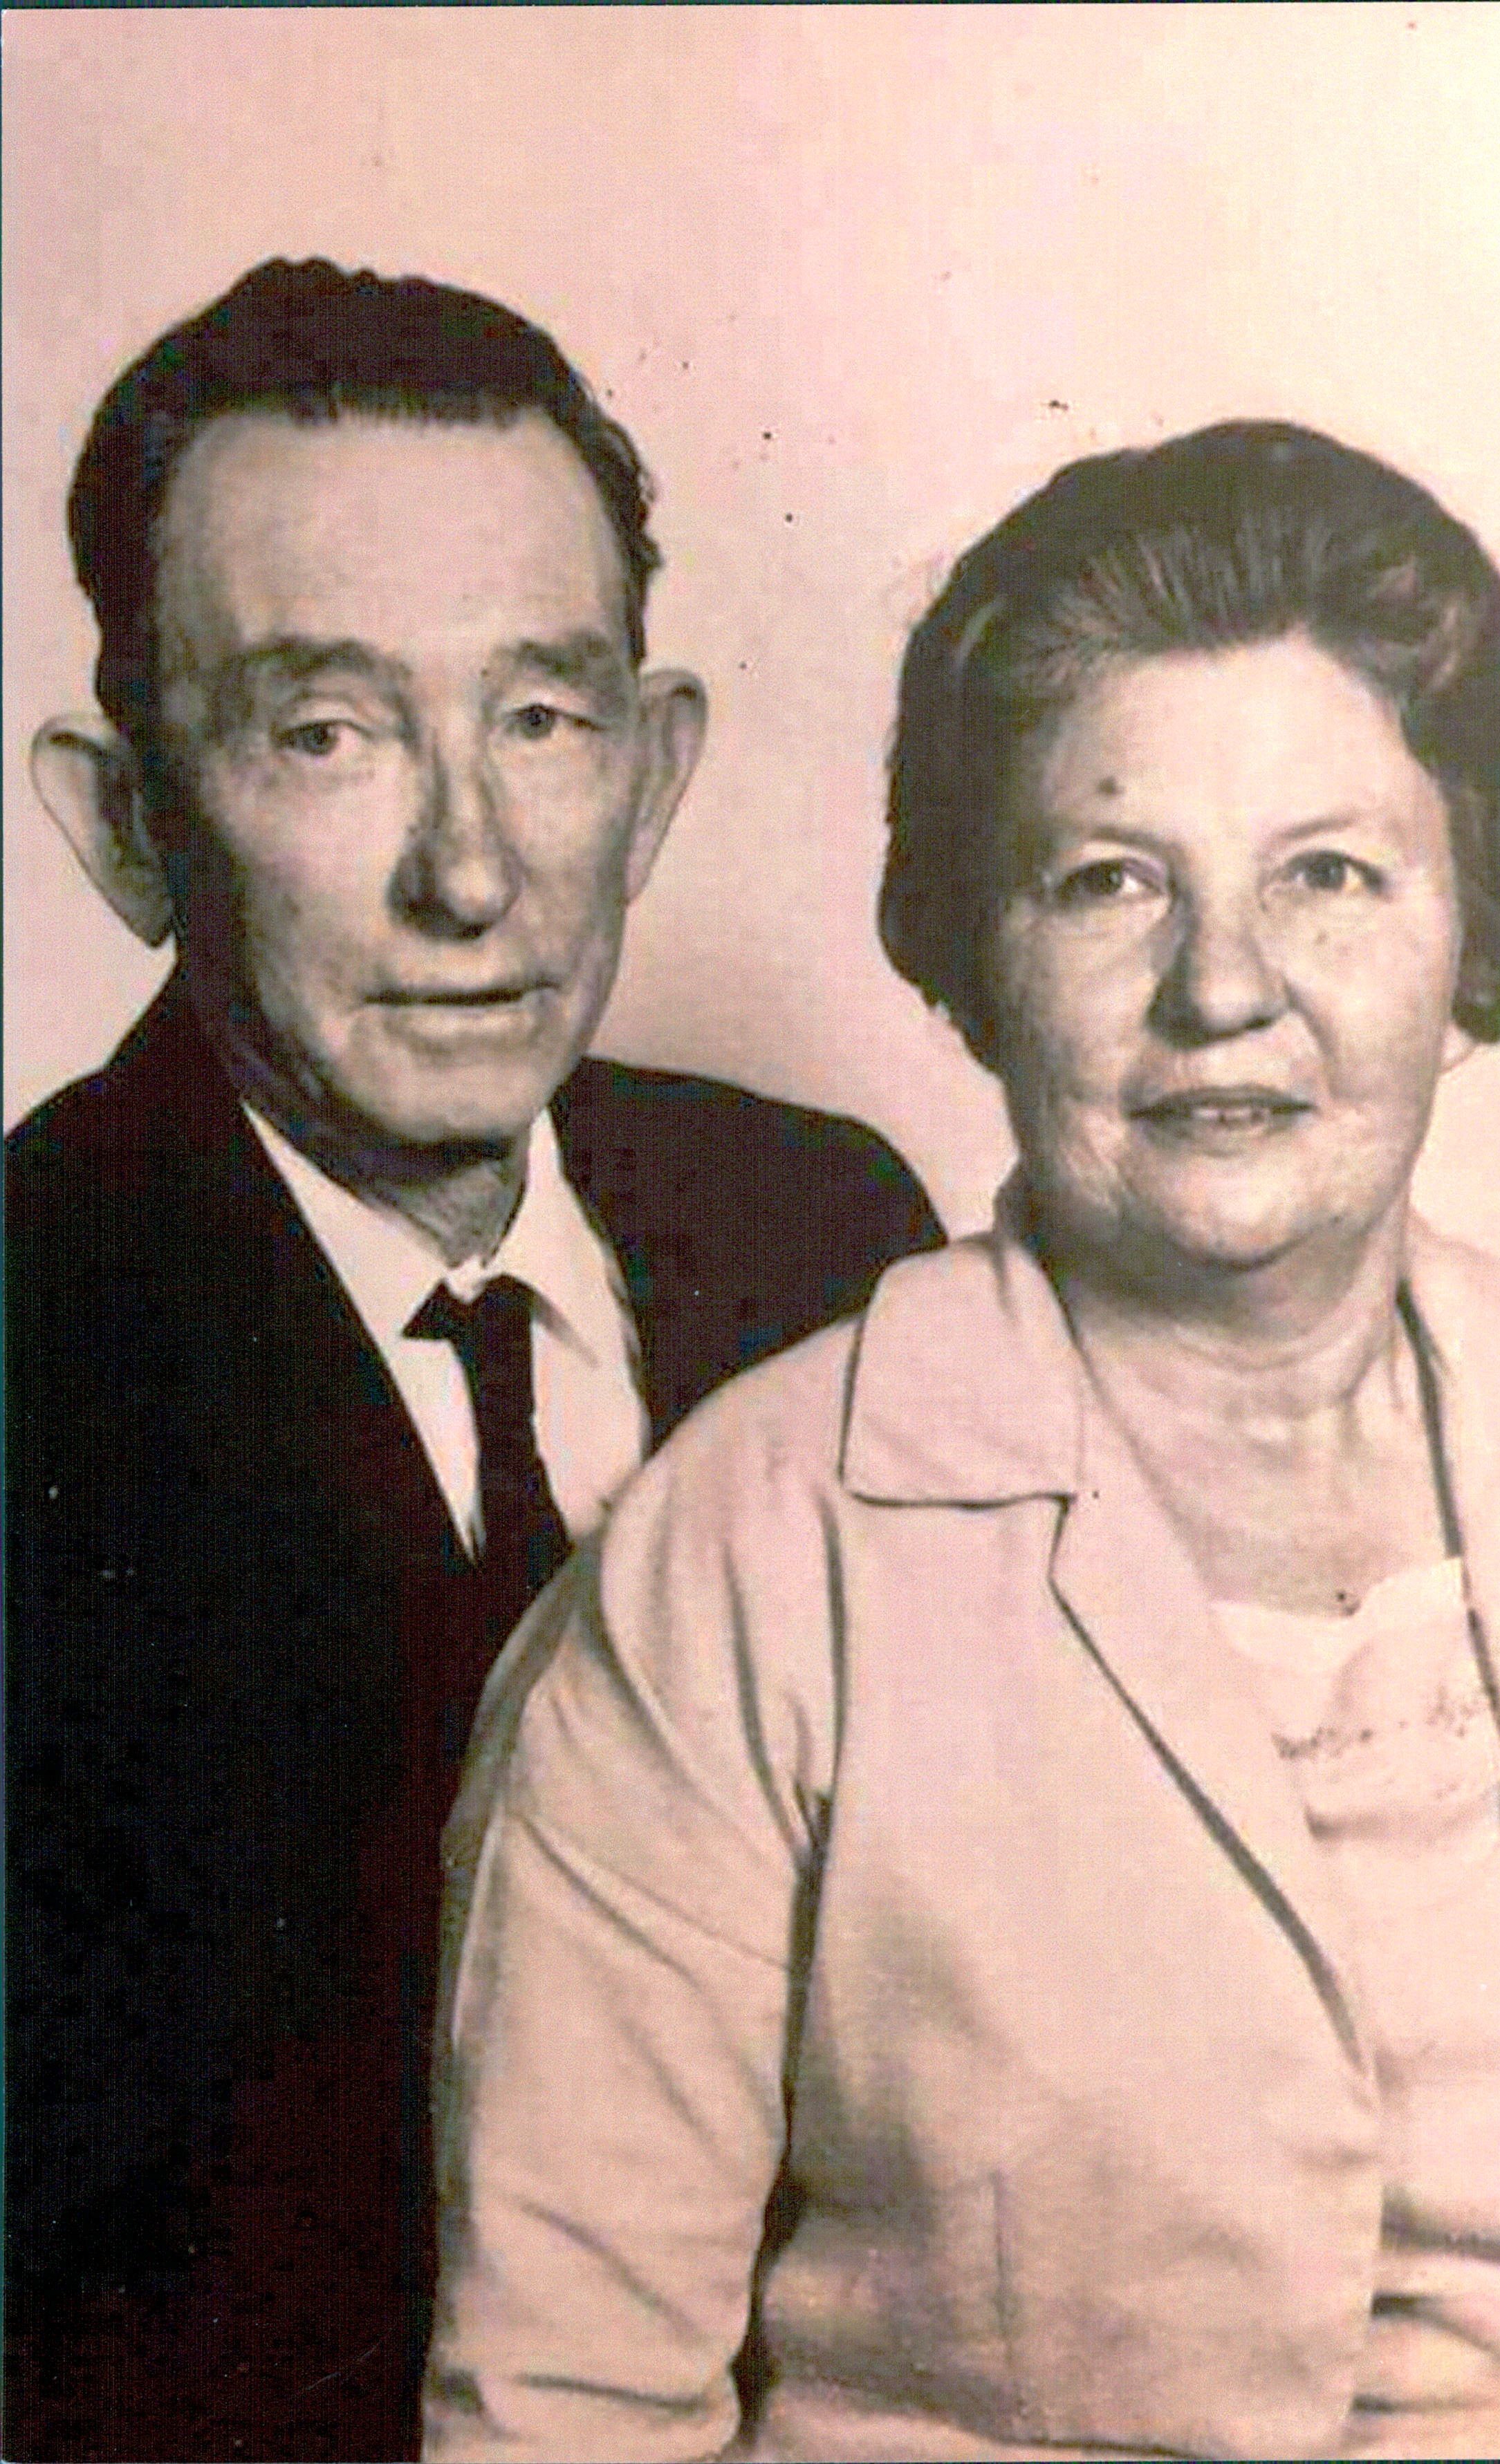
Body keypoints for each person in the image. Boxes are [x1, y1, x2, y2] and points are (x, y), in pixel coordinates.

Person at [426, 422, 1500, 2462]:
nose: (1225, 988)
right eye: (1109, 883)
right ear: (973, 964)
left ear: (1477, 938)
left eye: (1330, 875)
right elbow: (561, 2413)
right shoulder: (742, 1560)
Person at [4, 259, 941, 2464]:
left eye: (541, 720)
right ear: (126, 821)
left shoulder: (833, 1238)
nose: (471, 871)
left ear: (657, 765)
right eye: (326, 734)